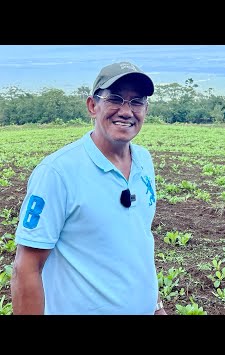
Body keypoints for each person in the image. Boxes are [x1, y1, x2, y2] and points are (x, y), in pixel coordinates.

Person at [11, 61, 167, 315]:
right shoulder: (57, 173)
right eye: (115, 99)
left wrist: (155, 306)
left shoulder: (144, 161)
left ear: (145, 110)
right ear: (92, 106)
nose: (126, 111)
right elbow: (26, 267)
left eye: (136, 101)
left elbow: (137, 244)